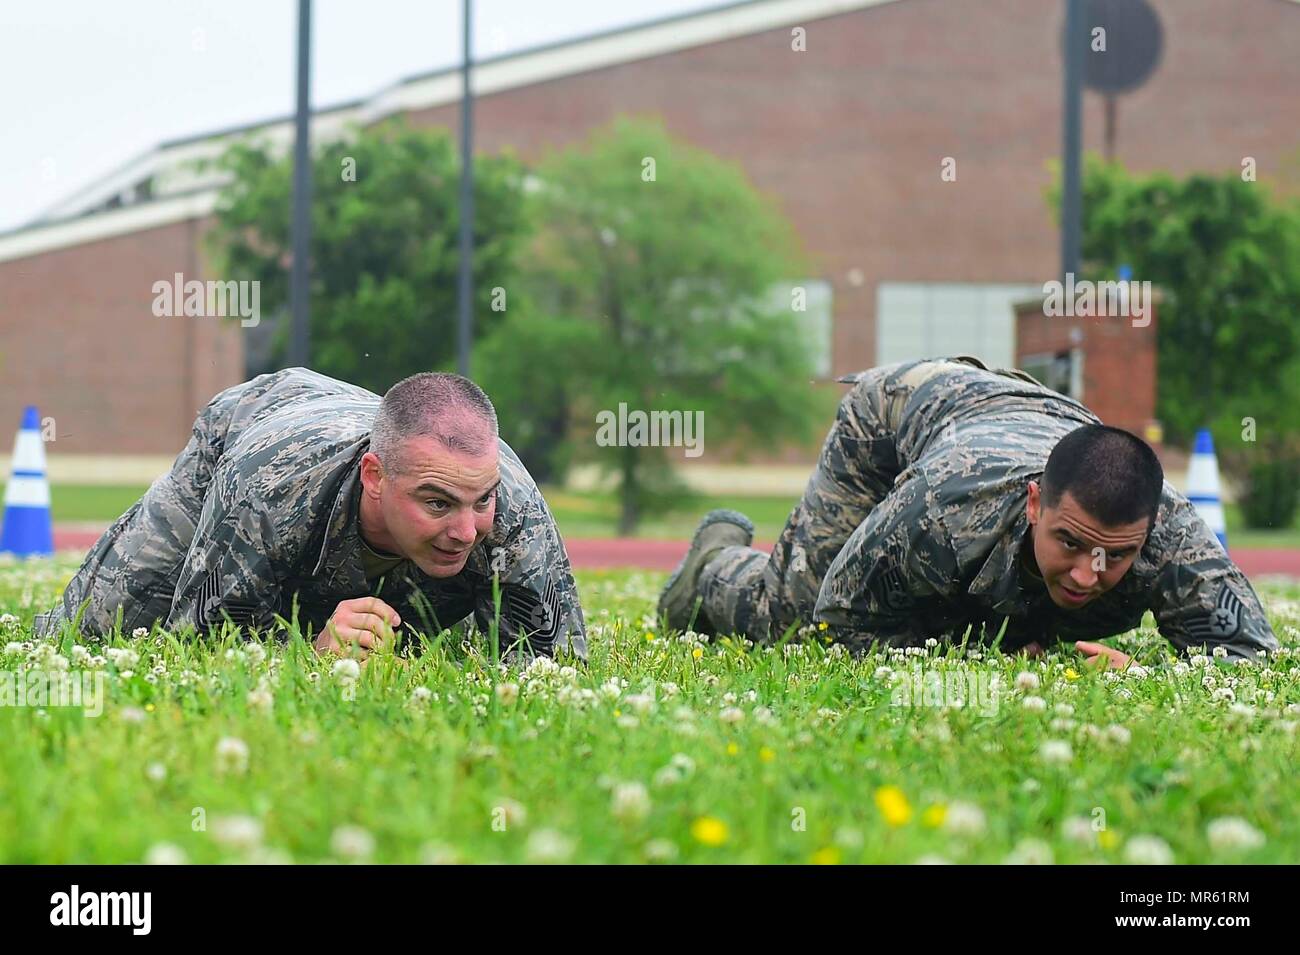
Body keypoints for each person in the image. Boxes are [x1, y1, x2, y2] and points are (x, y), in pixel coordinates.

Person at [659, 356, 1277, 666]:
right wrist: (1001, 653)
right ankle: (714, 565)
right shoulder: (940, 509)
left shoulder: (1175, 538)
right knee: (790, 620)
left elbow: (1246, 658)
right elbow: (842, 621)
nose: (1089, 574)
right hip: (896, 415)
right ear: (1036, 503)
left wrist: (1133, 670)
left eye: (1115, 556)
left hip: (1023, 416)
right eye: (1070, 543)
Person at [35, 367, 585, 659]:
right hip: (256, 426)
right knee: (96, 628)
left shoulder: (514, 511)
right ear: (375, 477)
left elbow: (553, 664)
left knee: (429, 648)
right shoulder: (265, 489)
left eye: (480, 501)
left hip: (359, 434)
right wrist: (309, 650)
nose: (466, 531)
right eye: (437, 503)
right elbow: (200, 645)